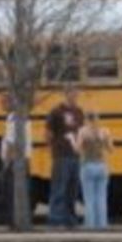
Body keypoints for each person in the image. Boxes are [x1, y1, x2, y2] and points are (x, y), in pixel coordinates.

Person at [45, 87, 85, 228]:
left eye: (76, 93)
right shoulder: (56, 112)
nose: (74, 96)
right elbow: (49, 133)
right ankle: (55, 218)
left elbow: (81, 133)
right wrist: (53, 150)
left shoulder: (79, 112)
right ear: (66, 94)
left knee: (72, 190)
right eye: (71, 93)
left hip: (75, 155)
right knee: (59, 188)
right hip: (61, 155)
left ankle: (70, 218)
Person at [72, 111, 114, 230]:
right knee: (101, 197)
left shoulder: (83, 132)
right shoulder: (104, 131)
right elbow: (111, 149)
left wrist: (71, 140)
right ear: (97, 119)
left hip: (87, 165)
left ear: (86, 119)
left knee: (89, 198)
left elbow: (77, 149)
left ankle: (90, 224)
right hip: (102, 166)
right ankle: (102, 224)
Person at [0, 101, 33, 225]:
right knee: (24, 192)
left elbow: (10, 142)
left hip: (14, 161)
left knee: (11, 193)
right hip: (25, 158)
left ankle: (14, 220)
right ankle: (24, 219)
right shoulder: (26, 119)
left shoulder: (13, 119)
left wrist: (7, 163)